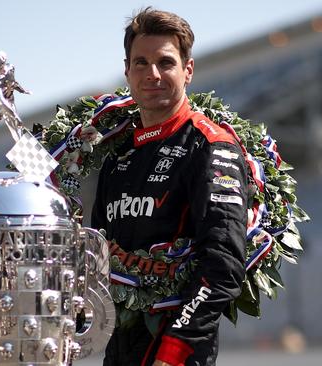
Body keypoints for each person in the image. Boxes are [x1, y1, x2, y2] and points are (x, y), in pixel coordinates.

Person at [91, 8, 248, 366]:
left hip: (176, 351)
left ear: (188, 70)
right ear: (127, 71)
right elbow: (99, 251)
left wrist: (174, 350)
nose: (153, 74)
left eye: (166, 62)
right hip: (120, 347)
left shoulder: (211, 146)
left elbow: (223, 265)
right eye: (141, 63)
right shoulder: (118, 156)